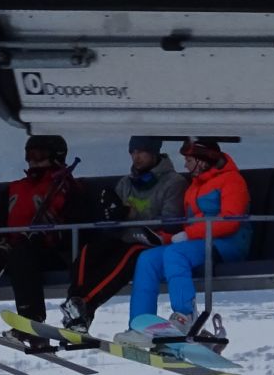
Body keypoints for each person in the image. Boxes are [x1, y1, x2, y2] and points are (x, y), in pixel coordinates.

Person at [118, 138, 251, 344]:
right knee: (148, 259)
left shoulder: (231, 181)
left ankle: (185, 316)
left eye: (189, 160)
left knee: (175, 254)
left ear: (203, 160)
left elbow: (230, 221)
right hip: (197, 243)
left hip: (227, 243)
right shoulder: (195, 186)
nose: (186, 166)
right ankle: (139, 324)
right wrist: (167, 238)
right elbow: (189, 224)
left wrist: (188, 236)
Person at [0, 133, 82, 335]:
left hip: (48, 251)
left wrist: (49, 232)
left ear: (56, 156)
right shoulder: (15, 188)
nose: (32, 160)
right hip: (12, 247)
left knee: (22, 254)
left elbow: (76, 223)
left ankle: (32, 319)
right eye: (29, 155)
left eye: (39, 155)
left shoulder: (66, 188)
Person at [58, 136, 186, 333]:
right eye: (133, 152)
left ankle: (84, 305)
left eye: (141, 152)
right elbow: (113, 223)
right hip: (123, 236)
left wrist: (132, 215)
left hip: (151, 241)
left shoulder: (174, 183)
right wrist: (112, 213)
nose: (136, 157)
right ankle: (75, 307)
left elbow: (171, 222)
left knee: (126, 257)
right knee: (89, 252)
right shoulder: (126, 183)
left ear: (154, 153)